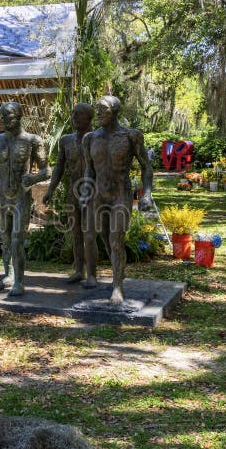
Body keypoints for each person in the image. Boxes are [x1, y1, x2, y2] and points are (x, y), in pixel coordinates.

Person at [0, 102, 50, 296]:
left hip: (21, 197)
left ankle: (19, 282)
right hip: (2, 198)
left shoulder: (32, 140)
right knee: (4, 239)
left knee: (16, 240)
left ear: (19, 116)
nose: (4, 120)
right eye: (2, 116)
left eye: (9, 116)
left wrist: (33, 177)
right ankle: (9, 275)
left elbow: (46, 170)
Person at [81, 95, 154, 305]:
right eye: (98, 109)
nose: (98, 113)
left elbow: (145, 166)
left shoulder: (131, 136)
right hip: (98, 195)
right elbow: (89, 169)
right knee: (105, 238)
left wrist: (147, 193)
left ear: (114, 111)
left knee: (116, 240)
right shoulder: (90, 139)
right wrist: (86, 190)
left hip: (121, 194)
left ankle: (117, 287)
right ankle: (118, 273)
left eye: (103, 109)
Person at [43, 103, 94, 283]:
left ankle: (93, 275)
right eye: (72, 113)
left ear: (89, 118)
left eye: (78, 114)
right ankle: (79, 270)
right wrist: (50, 189)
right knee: (76, 232)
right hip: (73, 190)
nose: (73, 117)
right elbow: (59, 167)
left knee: (90, 233)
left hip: (93, 190)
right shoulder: (65, 140)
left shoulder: (97, 138)